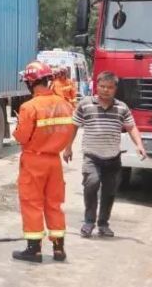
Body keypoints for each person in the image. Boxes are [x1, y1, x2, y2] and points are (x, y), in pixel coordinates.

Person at [62, 71, 147, 238]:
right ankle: (88, 222)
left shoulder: (122, 107)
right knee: (91, 184)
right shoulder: (85, 104)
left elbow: (131, 127)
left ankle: (103, 224)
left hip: (113, 158)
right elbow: (73, 126)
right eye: (102, 86)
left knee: (109, 192)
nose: (105, 90)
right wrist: (68, 147)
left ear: (115, 89)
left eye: (109, 87)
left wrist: (139, 145)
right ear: (96, 86)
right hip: (92, 156)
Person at [11, 61, 75, 263]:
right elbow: (69, 131)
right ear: (47, 80)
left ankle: (34, 249)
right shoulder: (64, 104)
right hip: (54, 162)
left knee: (32, 203)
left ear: (30, 83)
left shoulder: (29, 107)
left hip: (34, 160)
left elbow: (21, 137)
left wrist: (17, 131)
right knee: (54, 204)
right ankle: (59, 248)